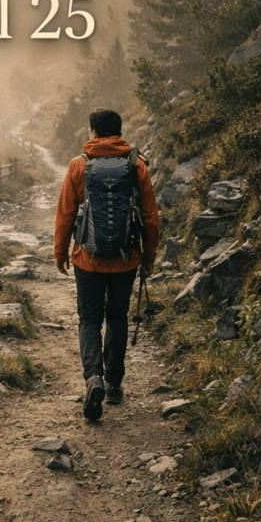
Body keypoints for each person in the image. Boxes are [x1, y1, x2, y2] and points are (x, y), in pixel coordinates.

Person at [54, 108, 159, 420]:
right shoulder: (136, 166)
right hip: (126, 260)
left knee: (89, 320)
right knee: (116, 318)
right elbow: (151, 218)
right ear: (120, 132)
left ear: (92, 133)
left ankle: (93, 378)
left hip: (88, 259)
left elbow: (65, 215)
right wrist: (149, 257)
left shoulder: (79, 166)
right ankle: (113, 385)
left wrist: (61, 254)